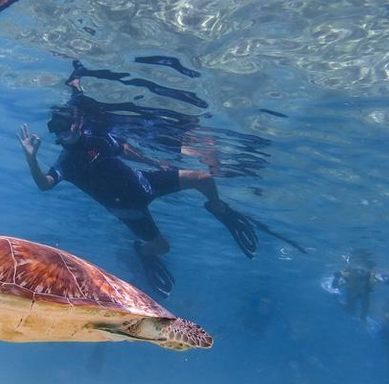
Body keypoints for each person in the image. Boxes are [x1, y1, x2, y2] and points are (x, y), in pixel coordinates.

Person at [17, 65, 259, 296]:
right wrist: (31, 159)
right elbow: (45, 184)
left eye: (66, 128)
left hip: (144, 181)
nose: (63, 136)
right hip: (128, 208)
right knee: (163, 247)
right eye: (58, 132)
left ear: (78, 123)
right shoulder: (67, 162)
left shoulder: (97, 137)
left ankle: (218, 208)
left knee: (203, 178)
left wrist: (154, 163)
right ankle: (143, 251)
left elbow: (124, 149)